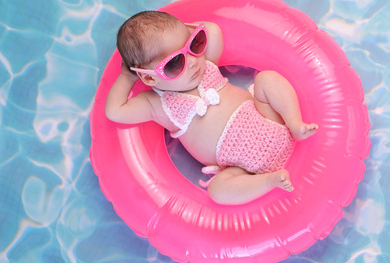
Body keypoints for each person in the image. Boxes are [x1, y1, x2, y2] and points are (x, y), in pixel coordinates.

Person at [105, 11, 317, 205]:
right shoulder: (156, 105)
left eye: (193, 46)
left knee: (267, 79)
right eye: (174, 63)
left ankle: (295, 123)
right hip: (243, 169)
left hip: (270, 119)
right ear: (149, 77)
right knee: (217, 190)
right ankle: (269, 181)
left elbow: (213, 30)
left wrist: (185, 33)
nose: (191, 62)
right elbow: (115, 111)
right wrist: (127, 76)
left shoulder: (207, 66)